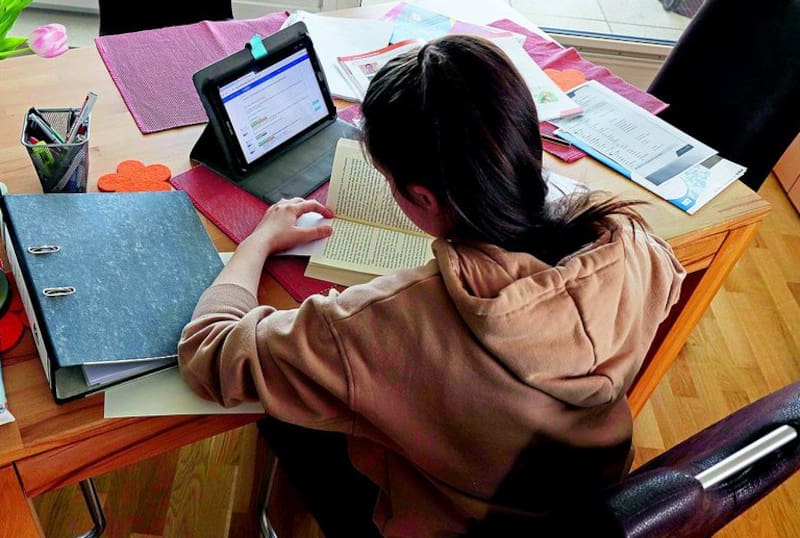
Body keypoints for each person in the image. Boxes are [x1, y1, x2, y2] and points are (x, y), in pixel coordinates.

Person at [178, 35, 686, 537]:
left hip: (449, 519)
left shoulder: (389, 323)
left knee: (283, 414)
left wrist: (259, 240)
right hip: (573, 507)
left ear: (421, 197)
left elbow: (209, 351)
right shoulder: (635, 244)